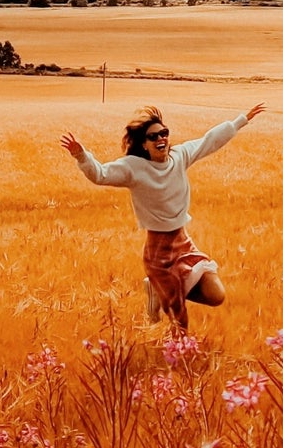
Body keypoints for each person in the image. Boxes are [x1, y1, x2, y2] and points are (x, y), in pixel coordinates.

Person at [60, 102, 265, 328]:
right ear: (144, 145)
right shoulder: (133, 168)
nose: (161, 139)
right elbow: (101, 175)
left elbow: (210, 140)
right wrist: (81, 156)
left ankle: (161, 289)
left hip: (184, 243)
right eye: (153, 136)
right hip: (159, 252)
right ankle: (167, 300)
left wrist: (240, 120)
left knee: (216, 295)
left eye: (164, 133)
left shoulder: (180, 156)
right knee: (180, 322)